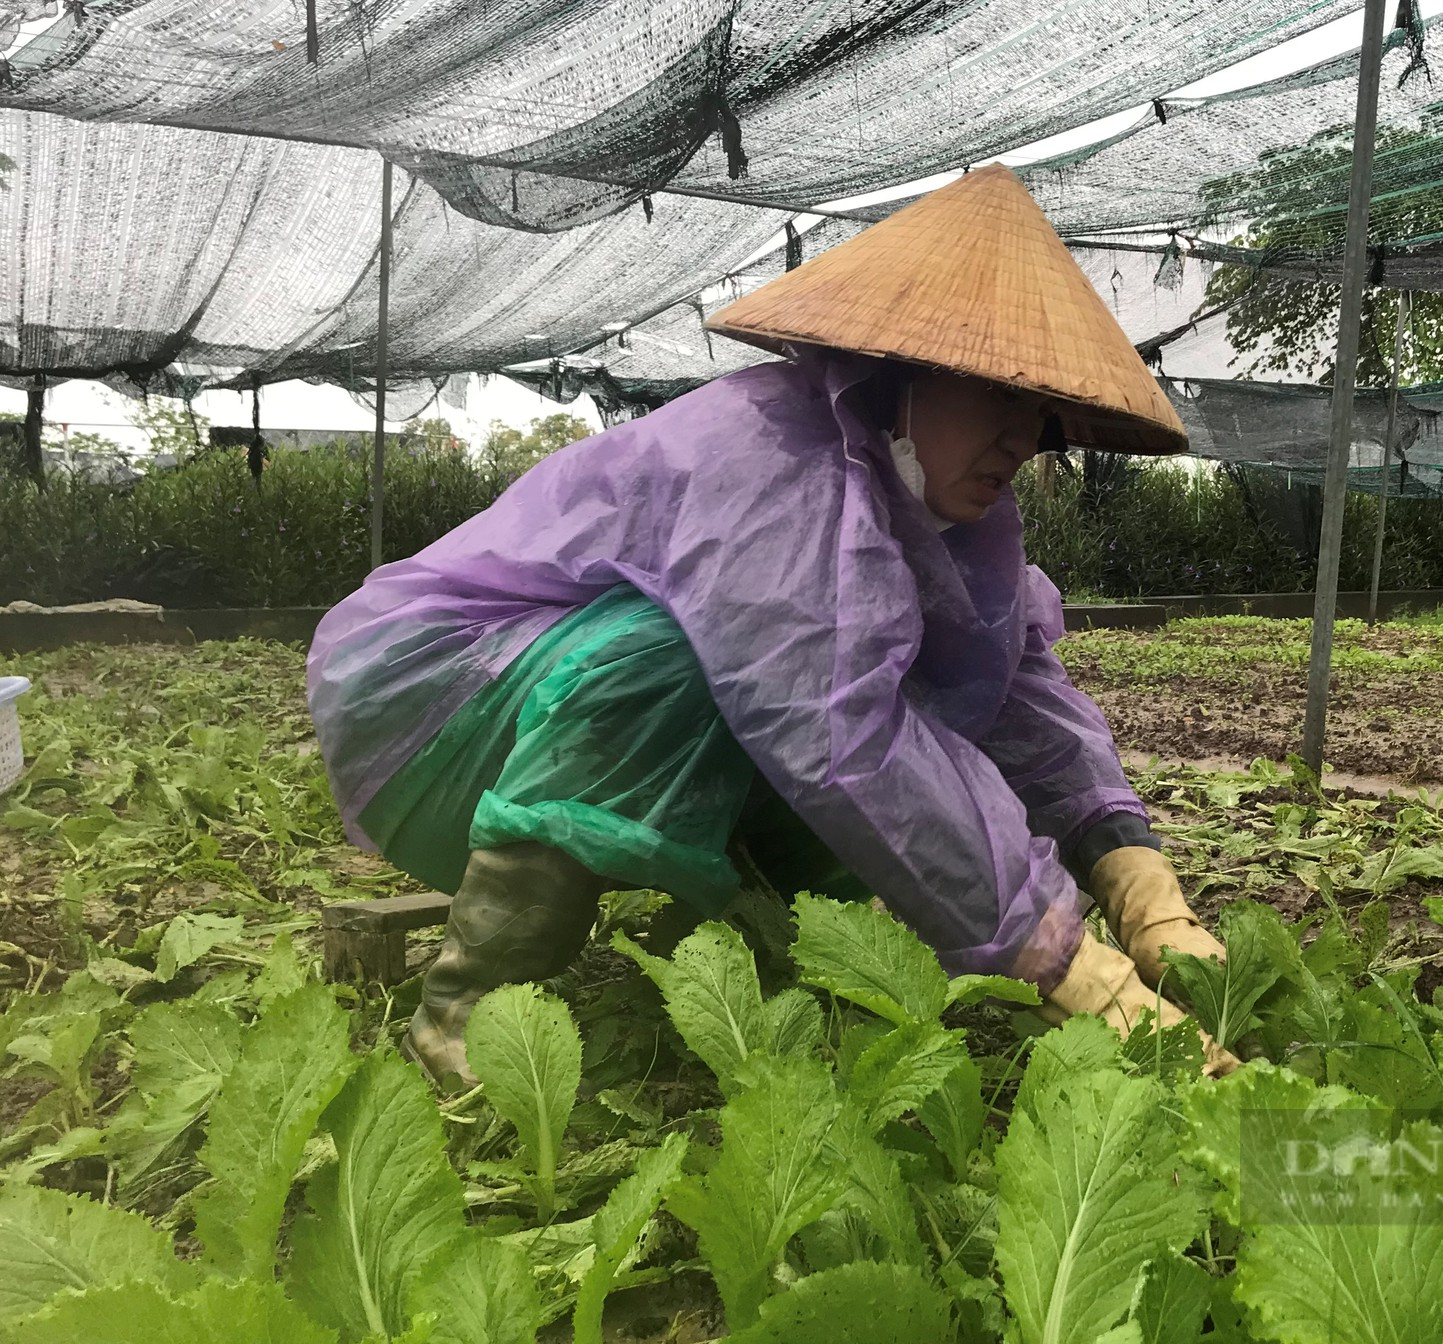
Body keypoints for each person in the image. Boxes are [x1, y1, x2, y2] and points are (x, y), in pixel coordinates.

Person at [307, 165, 1235, 1088]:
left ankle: (742, 944)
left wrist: (1142, 891)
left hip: (544, 713)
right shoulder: (772, 451)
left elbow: (1027, 697)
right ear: (901, 372)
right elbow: (836, 725)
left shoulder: (955, 520)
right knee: (678, 662)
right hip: (437, 702)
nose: (1022, 439)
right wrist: (1065, 960)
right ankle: (469, 1022)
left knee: (863, 689)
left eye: (1039, 415)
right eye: (998, 396)